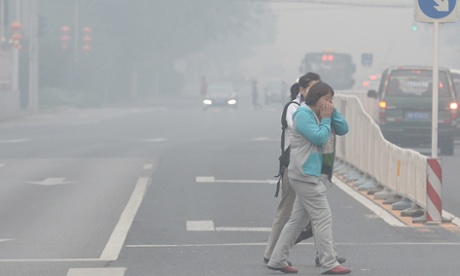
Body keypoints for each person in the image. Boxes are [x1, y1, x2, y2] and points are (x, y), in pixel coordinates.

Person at [267, 82, 351, 275]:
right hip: (304, 173)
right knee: (322, 216)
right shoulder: (303, 115)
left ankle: (277, 259)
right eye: (326, 99)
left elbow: (344, 128)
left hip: (310, 172)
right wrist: (327, 118)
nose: (329, 102)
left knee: (297, 220)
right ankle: (329, 262)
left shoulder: (319, 113)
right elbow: (319, 138)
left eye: (331, 99)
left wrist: (332, 112)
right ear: (314, 97)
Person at [263, 73, 321, 265]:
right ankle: (271, 253)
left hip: (311, 166)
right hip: (293, 167)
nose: (317, 92)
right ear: (302, 90)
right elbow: (302, 129)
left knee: (319, 213)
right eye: (313, 88)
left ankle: (325, 255)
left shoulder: (316, 109)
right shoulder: (294, 109)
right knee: (287, 212)